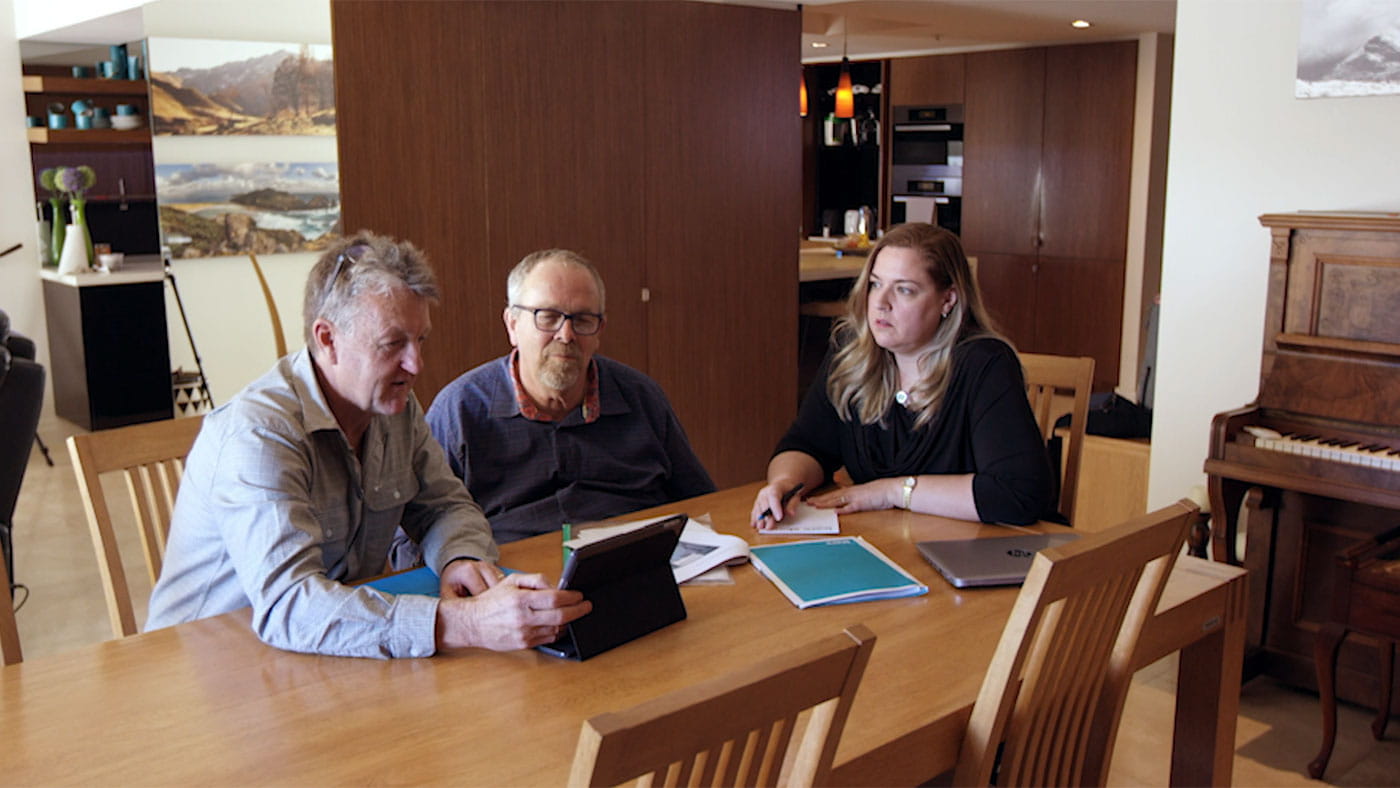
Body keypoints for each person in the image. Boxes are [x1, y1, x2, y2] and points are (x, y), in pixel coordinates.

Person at [145, 232, 590, 658]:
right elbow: (290, 606)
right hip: (209, 669)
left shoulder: (393, 404)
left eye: (420, 340)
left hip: (330, 650)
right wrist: (465, 623)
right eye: (392, 343)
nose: (415, 364)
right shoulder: (258, 433)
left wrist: (461, 559)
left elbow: (444, 506)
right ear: (327, 339)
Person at [391, 249, 714, 565]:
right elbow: (407, 540)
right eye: (548, 317)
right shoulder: (461, 409)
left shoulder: (641, 397)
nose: (566, 335)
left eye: (583, 319)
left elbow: (701, 500)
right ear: (513, 324)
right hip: (512, 579)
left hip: (633, 568)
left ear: (599, 330)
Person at [751, 222, 1055, 528]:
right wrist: (784, 483)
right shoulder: (852, 352)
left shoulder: (984, 364)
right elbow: (807, 445)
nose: (881, 303)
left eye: (904, 290)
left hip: (977, 552)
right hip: (889, 544)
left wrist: (892, 491)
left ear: (947, 300)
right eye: (875, 284)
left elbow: (1019, 493)